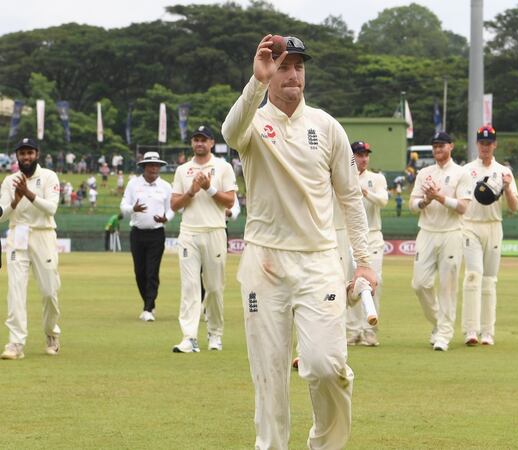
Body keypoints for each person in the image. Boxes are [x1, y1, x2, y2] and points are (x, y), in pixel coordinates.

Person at [221, 34, 375, 449]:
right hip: (264, 262)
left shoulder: (326, 127)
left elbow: (350, 197)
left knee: (327, 366)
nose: (292, 75)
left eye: (298, 67)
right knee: (269, 373)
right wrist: (256, 81)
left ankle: (325, 444)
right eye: (284, 67)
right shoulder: (253, 121)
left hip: (319, 260)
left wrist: (363, 261)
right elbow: (230, 131)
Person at [170, 126, 237, 352]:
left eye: (203, 140)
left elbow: (229, 201)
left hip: (215, 231)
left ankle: (215, 333)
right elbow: (174, 204)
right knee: (189, 287)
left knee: (215, 287)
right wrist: (192, 191)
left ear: (211, 143)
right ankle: (189, 337)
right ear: (192, 144)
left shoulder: (223, 167)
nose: (199, 143)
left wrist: (208, 188)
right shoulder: (183, 170)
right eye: (196, 140)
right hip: (189, 232)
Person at [0, 138, 62, 360]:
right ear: (17, 156)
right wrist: (14, 202)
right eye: (22, 153)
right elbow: (2, 215)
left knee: (49, 291)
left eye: (30, 153)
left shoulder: (49, 176)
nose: (26, 157)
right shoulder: (10, 181)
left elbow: (52, 208)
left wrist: (28, 193)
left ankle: (51, 334)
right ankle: (15, 343)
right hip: (18, 234)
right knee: (15, 290)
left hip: (43, 234)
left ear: (37, 154)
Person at [410, 131, 471, 352]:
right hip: (426, 231)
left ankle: (444, 334)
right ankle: (439, 323)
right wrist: (426, 200)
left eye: (442, 146)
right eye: (435, 146)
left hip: (451, 233)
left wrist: (439, 197)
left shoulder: (461, 173)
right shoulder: (425, 173)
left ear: (451, 147)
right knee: (419, 283)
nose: (438, 150)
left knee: (447, 286)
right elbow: (412, 205)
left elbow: (463, 207)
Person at [461, 126, 518, 346]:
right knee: (473, 276)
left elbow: (514, 207)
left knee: (489, 280)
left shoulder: (504, 171)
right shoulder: (466, 170)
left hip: (494, 226)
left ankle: (488, 332)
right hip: (470, 225)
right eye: (482, 143)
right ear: (477, 144)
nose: (485, 147)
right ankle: (470, 330)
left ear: (495, 144)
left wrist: (507, 188)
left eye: (489, 143)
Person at [120, 152, 174, 321]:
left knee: (152, 271)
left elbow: (172, 208)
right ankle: (149, 303)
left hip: (157, 233)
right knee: (139, 272)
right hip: (137, 233)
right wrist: (132, 210)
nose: (154, 168)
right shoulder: (133, 184)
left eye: (157, 165)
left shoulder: (165, 186)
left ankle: (148, 308)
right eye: (150, 165)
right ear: (144, 167)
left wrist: (167, 218)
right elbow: (123, 206)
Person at [346, 141, 388, 346]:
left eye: (366, 155)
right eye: (359, 154)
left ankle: (370, 330)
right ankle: (353, 330)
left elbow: (383, 201)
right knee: (351, 283)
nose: (363, 158)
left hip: (372, 235)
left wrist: (365, 192)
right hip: (349, 237)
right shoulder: (344, 177)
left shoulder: (376, 178)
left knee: (373, 282)